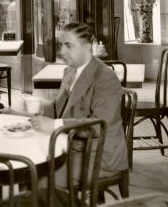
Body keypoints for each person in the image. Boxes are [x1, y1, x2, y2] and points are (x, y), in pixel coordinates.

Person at [28, 22, 127, 182]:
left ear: (87, 47)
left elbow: (98, 125)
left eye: (68, 46)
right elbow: (57, 109)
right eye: (61, 45)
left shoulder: (105, 78)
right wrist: (33, 108)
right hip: (72, 146)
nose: (61, 52)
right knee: (29, 169)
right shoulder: (70, 71)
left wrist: (53, 125)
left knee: (39, 176)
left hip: (97, 155)